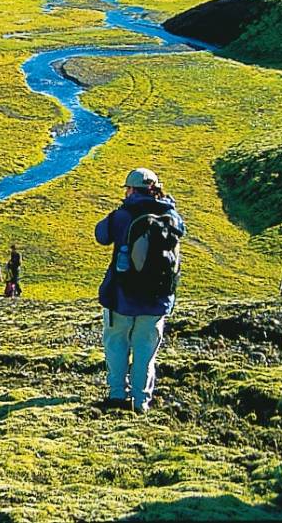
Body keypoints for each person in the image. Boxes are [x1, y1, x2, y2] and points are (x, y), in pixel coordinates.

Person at [95, 168, 185, 414]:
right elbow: (181, 230)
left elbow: (100, 236)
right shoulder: (171, 215)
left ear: (131, 189)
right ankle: (141, 402)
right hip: (157, 299)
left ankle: (116, 396)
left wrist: (120, 212)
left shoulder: (122, 215)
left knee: (116, 344)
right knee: (146, 351)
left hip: (121, 297)